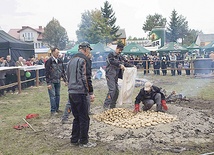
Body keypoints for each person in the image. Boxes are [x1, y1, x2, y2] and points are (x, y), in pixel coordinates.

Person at [66, 42, 96, 148]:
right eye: (89, 50)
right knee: (84, 118)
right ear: (85, 49)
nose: (89, 52)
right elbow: (86, 78)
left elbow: (67, 77)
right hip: (81, 92)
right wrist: (91, 92)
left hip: (71, 92)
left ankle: (74, 139)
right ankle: (84, 141)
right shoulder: (84, 60)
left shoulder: (70, 60)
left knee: (76, 117)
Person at [103, 43, 134, 109]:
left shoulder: (120, 56)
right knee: (112, 90)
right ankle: (106, 105)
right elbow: (112, 62)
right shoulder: (111, 55)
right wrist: (119, 65)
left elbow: (125, 62)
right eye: (119, 50)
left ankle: (112, 105)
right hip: (110, 75)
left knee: (117, 91)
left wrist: (132, 66)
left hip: (116, 76)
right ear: (116, 48)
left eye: (121, 50)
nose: (120, 51)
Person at [45, 47, 67, 115]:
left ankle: (57, 109)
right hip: (51, 81)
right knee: (52, 96)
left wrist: (65, 80)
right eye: (57, 52)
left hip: (58, 80)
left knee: (58, 95)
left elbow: (62, 71)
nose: (58, 54)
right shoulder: (49, 61)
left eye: (58, 52)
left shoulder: (60, 60)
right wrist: (48, 83)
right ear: (53, 52)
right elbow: (47, 72)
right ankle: (53, 110)